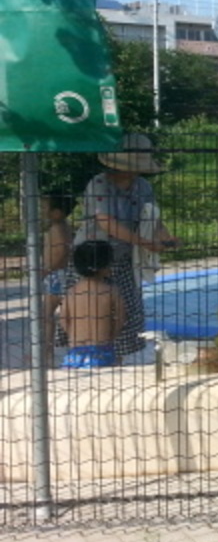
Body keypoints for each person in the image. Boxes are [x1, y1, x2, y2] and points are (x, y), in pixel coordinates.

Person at [73, 133, 178, 357]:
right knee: (93, 307)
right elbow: (106, 222)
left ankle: (116, 355)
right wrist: (144, 242)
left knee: (128, 310)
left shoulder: (143, 186)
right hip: (94, 256)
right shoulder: (99, 184)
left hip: (124, 257)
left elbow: (153, 218)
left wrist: (166, 238)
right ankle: (86, 352)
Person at [60, 240, 126, 369]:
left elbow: (63, 320)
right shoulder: (112, 291)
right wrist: (111, 335)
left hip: (75, 352)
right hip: (102, 350)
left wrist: (73, 334)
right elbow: (120, 319)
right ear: (104, 266)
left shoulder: (71, 292)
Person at [40, 191, 75, 348]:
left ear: (57, 212)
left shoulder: (57, 228)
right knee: (65, 314)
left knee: (46, 315)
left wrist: (48, 269)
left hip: (56, 275)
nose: (42, 210)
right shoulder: (63, 226)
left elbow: (62, 251)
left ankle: (46, 351)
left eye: (44, 207)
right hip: (61, 274)